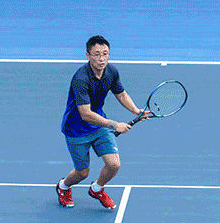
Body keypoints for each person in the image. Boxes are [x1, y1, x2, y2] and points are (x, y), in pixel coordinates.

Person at [56, 36, 150, 209]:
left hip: (99, 126)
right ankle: (63, 186)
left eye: (105, 54)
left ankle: (97, 189)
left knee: (114, 165)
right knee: (82, 173)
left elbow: (121, 94)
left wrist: (136, 111)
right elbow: (85, 114)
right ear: (88, 55)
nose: (101, 58)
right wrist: (114, 125)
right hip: (76, 130)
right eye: (97, 54)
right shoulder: (81, 79)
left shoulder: (111, 71)